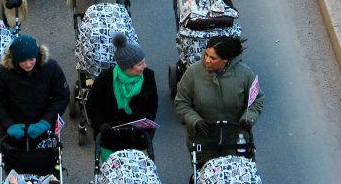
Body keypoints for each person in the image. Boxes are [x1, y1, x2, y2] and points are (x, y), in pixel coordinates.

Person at [174, 36, 263, 172]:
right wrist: (194, 120)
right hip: (203, 138)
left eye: (213, 58)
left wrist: (248, 118)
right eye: (206, 55)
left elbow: (256, 100)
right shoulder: (192, 73)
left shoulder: (245, 74)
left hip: (235, 137)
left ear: (225, 60)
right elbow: (182, 102)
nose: (207, 60)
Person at [0, 33, 71, 143]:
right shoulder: (2, 73)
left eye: (31, 59)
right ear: (15, 59)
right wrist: (9, 124)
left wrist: (46, 122)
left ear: (37, 55)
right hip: (14, 128)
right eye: (22, 61)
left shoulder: (51, 68)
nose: (28, 65)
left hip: (44, 126)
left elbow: (62, 96)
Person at [85, 34, 158, 161]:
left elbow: (153, 105)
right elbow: (92, 105)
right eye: (140, 64)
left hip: (136, 138)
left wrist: (146, 125)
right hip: (110, 139)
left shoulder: (148, 77)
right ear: (127, 67)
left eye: (144, 62)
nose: (145, 66)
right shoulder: (105, 79)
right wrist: (101, 124)